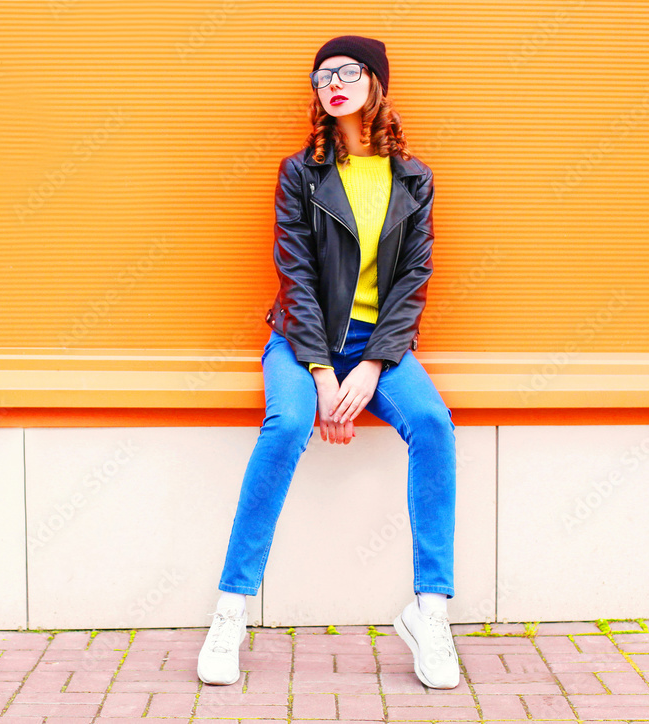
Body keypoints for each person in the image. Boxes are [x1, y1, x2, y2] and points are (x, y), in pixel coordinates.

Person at [197, 35, 459, 689]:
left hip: (380, 346)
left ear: (376, 83)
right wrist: (320, 373)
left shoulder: (414, 178)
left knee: (434, 424)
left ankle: (430, 613)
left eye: (347, 72)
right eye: (321, 76)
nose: (332, 83)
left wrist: (370, 366)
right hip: (301, 340)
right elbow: (296, 277)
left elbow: (413, 281)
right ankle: (230, 610)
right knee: (287, 424)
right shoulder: (300, 173)